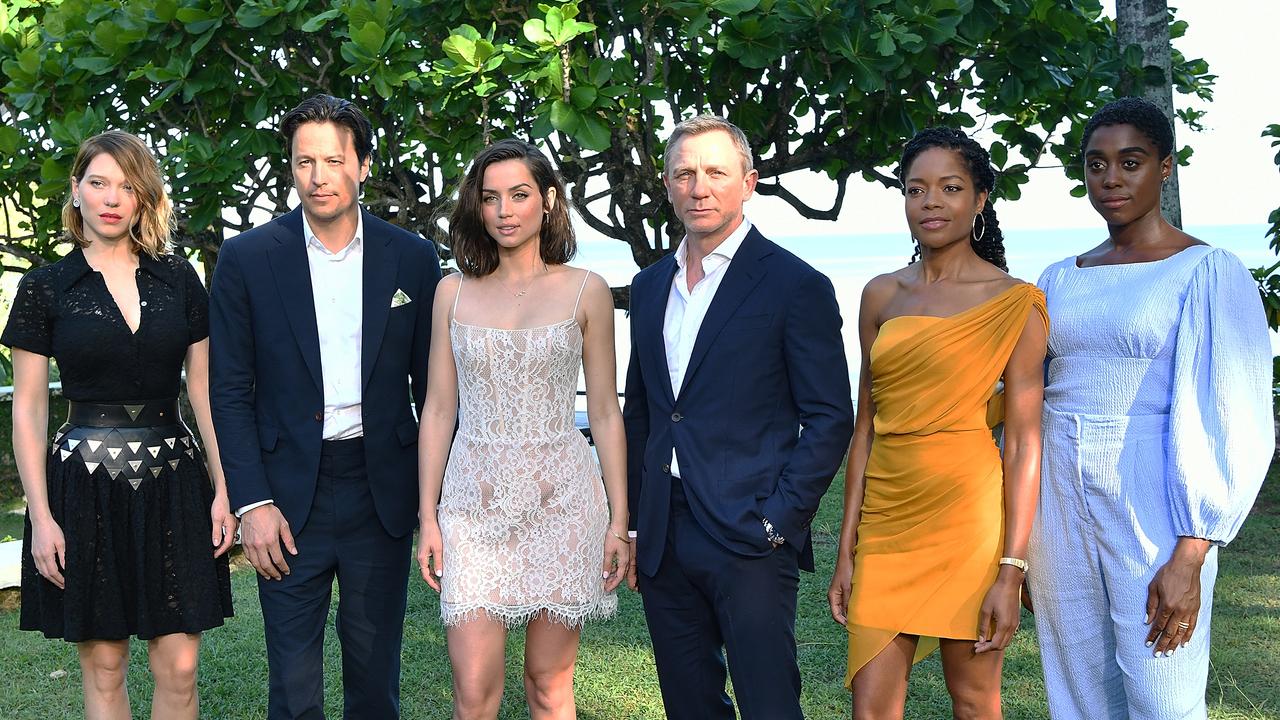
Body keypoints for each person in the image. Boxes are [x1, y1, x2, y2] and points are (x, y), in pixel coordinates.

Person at [1029, 97, 1273, 720]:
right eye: (1096, 164)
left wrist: (1192, 552)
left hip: (1155, 497)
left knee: (1162, 689)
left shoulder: (1207, 272)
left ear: (1164, 168)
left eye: (1130, 162)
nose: (1111, 179)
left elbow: (1236, 414)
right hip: (1058, 501)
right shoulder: (1060, 278)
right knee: (1077, 689)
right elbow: (1026, 400)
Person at [208, 95, 440, 719]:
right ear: (290, 168)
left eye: (333, 161)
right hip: (284, 495)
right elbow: (229, 389)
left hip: (379, 490)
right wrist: (251, 502)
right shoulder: (247, 258)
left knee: (374, 676)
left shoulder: (413, 260)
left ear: (362, 165)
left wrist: (434, 502)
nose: (318, 176)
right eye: (304, 161)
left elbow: (435, 393)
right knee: (292, 683)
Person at [622, 114, 855, 720]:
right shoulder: (649, 288)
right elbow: (643, 411)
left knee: (769, 703)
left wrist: (780, 520)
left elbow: (830, 416)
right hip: (664, 535)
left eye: (716, 172)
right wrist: (636, 521)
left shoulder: (794, 284)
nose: (699, 186)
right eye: (685, 173)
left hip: (751, 532)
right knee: (689, 704)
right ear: (668, 185)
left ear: (748, 183)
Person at [3, 130, 234, 720]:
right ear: (75, 192)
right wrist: (42, 518)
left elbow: (204, 392)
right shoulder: (44, 288)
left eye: (127, 186)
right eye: (98, 183)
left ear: (143, 198)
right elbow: (28, 409)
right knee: (105, 668)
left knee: (179, 668)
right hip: (82, 489)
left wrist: (225, 491)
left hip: (176, 483)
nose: (112, 198)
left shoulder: (179, 279)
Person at [826, 127, 1047, 719]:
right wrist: (847, 547)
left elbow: (1025, 442)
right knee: (871, 707)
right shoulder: (880, 296)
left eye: (950, 188)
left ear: (979, 200)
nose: (930, 202)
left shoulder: (1015, 302)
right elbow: (865, 426)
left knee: (974, 700)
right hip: (887, 520)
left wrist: (1012, 568)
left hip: (967, 521)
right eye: (915, 188)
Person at [416, 139, 629, 719]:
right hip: (473, 506)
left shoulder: (588, 290)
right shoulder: (450, 292)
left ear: (549, 201)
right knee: (474, 693)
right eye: (490, 198)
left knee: (549, 687)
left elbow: (606, 412)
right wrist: (428, 517)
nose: (505, 210)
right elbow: (437, 409)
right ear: (477, 209)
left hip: (562, 502)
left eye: (519, 195)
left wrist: (619, 520)